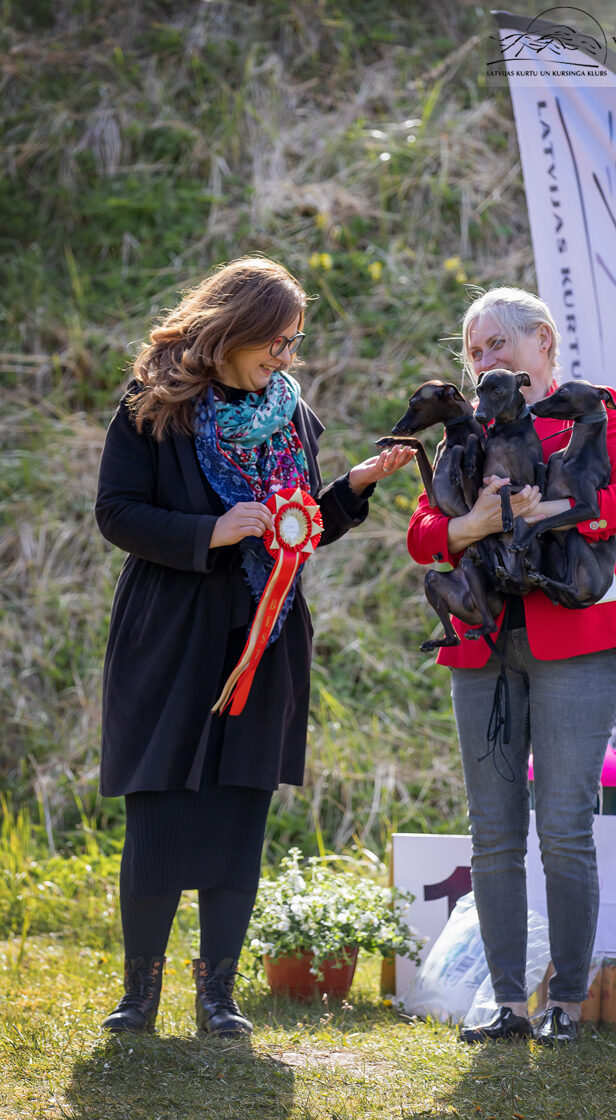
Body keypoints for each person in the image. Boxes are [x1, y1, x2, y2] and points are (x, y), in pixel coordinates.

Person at [95, 256, 414, 1037]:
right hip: (170, 636)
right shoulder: (151, 404)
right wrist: (209, 530)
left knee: (240, 812)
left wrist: (353, 488)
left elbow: (301, 530)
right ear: (233, 329)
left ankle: (218, 998)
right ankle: (139, 996)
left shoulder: (291, 414)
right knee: (159, 809)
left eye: (294, 341)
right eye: (277, 339)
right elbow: (117, 513)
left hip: (266, 640)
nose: (287, 355)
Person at [407, 287, 616, 1046]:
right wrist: (471, 524)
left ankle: (567, 1004)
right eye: (474, 350)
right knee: (492, 834)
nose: (484, 360)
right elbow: (423, 533)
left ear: (541, 341)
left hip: (577, 643)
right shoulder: (466, 431)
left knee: (566, 828)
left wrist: (550, 508)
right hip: (480, 645)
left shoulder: (593, 416)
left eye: (497, 345)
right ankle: (509, 1004)